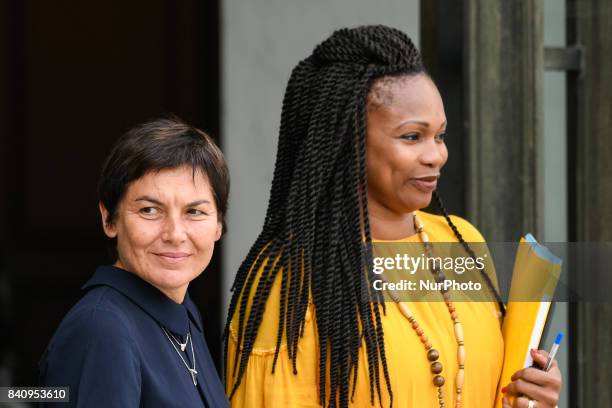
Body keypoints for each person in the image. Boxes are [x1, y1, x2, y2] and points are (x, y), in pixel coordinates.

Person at [224, 26, 562, 408]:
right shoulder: (291, 284)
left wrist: (532, 393)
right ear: (347, 141)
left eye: (440, 135)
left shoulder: (462, 242)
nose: (437, 155)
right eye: (412, 136)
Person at [39, 118, 230, 407]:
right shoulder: (102, 329)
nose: (175, 234)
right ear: (109, 218)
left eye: (194, 212)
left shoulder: (182, 312)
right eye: (149, 210)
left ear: (218, 224)